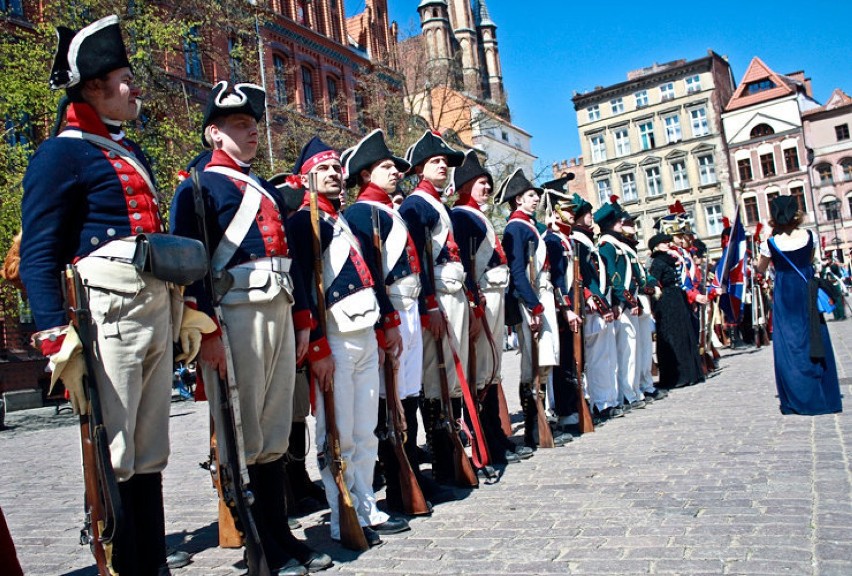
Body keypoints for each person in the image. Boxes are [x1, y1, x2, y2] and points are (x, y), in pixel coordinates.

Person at [20, 15, 195, 575]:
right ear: (93, 87)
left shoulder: (126, 150)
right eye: (123, 77)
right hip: (107, 315)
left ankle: (152, 561)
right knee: (115, 451)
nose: (134, 86)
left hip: (151, 307)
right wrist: (54, 335)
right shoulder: (61, 154)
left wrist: (183, 307)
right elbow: (39, 252)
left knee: (149, 451)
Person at [170, 81, 330, 574]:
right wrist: (207, 332)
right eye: (241, 125)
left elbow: (292, 261)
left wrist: (303, 318)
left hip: (279, 309)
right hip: (236, 313)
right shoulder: (198, 188)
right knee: (245, 429)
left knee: (277, 424)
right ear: (214, 134)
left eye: (254, 124)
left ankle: (280, 531)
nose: (253, 132)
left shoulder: (260, 186)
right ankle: (259, 540)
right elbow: (191, 268)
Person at [288, 136, 409, 546]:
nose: (335, 175)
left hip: (363, 335)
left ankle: (366, 504)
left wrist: (383, 327)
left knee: (364, 429)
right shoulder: (302, 223)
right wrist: (317, 348)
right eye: (324, 169)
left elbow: (370, 279)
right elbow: (304, 289)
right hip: (334, 342)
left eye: (337, 168)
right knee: (335, 433)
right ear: (305, 178)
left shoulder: (340, 221)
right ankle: (344, 515)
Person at [342, 129, 452, 511]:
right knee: (390, 398)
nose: (395, 173)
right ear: (364, 174)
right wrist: (385, 321)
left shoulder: (388, 210)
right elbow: (369, 272)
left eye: (394, 167)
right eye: (386, 167)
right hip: (389, 310)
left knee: (409, 392)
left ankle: (411, 473)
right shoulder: (360, 213)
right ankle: (397, 477)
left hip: (406, 308)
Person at [398, 131, 481, 484]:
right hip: (437, 300)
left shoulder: (438, 205)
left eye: (445, 162)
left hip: (454, 294)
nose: (443, 166)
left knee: (453, 380)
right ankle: (442, 461)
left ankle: (454, 450)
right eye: (436, 162)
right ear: (419, 168)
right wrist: (428, 304)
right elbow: (418, 260)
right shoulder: (415, 206)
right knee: (435, 378)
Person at [452, 151, 533, 463]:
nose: (487, 188)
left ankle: (496, 436)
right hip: (482, 298)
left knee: (493, 369)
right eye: (480, 183)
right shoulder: (460, 216)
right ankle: (487, 441)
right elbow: (466, 264)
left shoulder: (478, 215)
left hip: (495, 297)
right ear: (465, 186)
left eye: (487, 183)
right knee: (482, 371)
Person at [499, 169, 572, 448]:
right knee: (532, 364)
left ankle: (542, 421)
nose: (536, 199)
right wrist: (534, 305)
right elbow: (517, 270)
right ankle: (532, 427)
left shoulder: (529, 226)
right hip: (531, 298)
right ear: (518, 200)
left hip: (541, 296)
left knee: (544, 362)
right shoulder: (515, 228)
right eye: (531, 196)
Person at [756, 196, 842, 415]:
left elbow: (760, 269)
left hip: (785, 292)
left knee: (790, 342)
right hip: (806, 289)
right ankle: (823, 393)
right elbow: (810, 260)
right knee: (814, 334)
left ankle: (798, 394)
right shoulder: (810, 236)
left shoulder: (770, 243)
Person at [570, 195, 620, 420]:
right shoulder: (578, 240)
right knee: (596, 357)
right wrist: (592, 298)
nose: (591, 216)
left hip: (598, 302)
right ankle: (600, 402)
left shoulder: (585, 240)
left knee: (604, 356)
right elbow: (581, 275)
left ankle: (606, 399)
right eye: (587, 212)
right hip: (589, 306)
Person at [541, 184, 586, 431]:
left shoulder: (565, 239)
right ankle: (565, 409)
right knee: (563, 362)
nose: (572, 213)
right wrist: (566, 307)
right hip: (561, 309)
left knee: (573, 360)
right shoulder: (552, 240)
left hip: (571, 305)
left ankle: (572, 405)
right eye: (567, 210)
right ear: (555, 212)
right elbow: (557, 278)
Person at [596, 199, 646, 412]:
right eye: (617, 222)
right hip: (621, 304)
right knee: (624, 352)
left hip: (626, 302)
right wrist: (623, 300)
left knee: (632, 350)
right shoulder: (607, 245)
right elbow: (613, 277)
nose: (621, 225)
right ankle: (626, 394)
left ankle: (632, 391)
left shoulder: (617, 244)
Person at [648, 226, 705, 389]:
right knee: (672, 336)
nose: (667, 244)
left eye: (668, 241)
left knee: (683, 334)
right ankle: (677, 376)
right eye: (663, 242)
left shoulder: (671, 259)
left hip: (677, 298)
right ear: (656, 246)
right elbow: (654, 282)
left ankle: (690, 373)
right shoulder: (657, 262)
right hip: (666, 301)